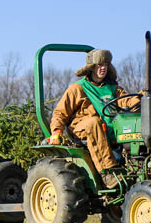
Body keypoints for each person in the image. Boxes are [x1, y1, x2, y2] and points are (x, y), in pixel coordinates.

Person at [48, 49, 141, 188]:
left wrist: (139, 99)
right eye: (99, 65)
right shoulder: (77, 88)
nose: (103, 68)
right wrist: (56, 131)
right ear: (91, 67)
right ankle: (108, 173)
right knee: (94, 122)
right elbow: (60, 113)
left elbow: (125, 100)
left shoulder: (112, 88)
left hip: (108, 131)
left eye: (106, 65)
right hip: (82, 129)